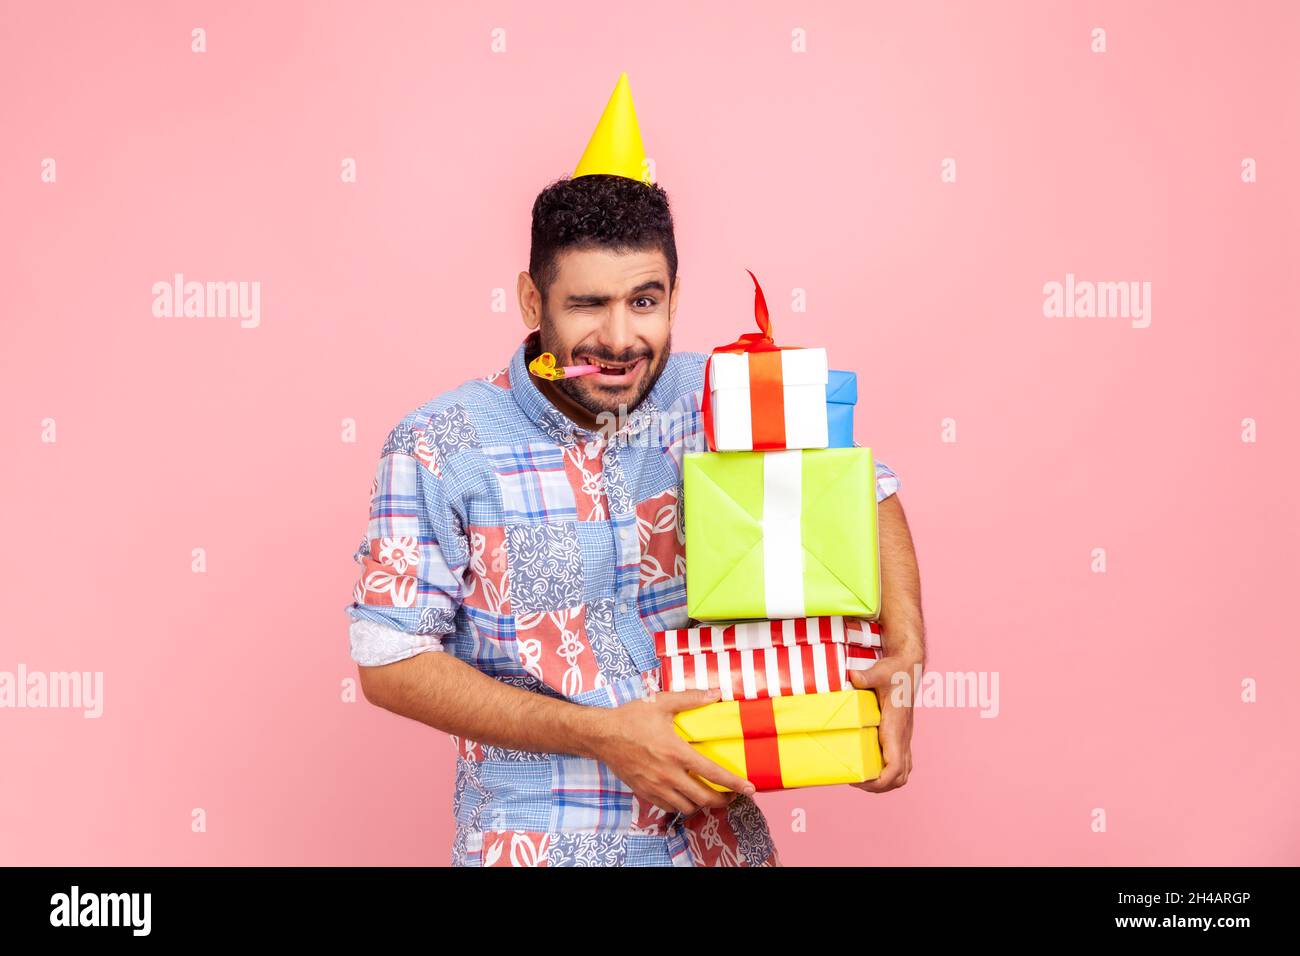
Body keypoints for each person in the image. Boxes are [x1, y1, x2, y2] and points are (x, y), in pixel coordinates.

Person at [345, 73, 925, 867]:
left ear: (674, 297)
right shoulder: (440, 445)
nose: (619, 338)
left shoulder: (716, 397)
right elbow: (390, 660)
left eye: (644, 302)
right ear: (530, 300)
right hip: (543, 845)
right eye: (587, 304)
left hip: (719, 845)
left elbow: (867, 489)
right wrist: (602, 735)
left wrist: (904, 653)